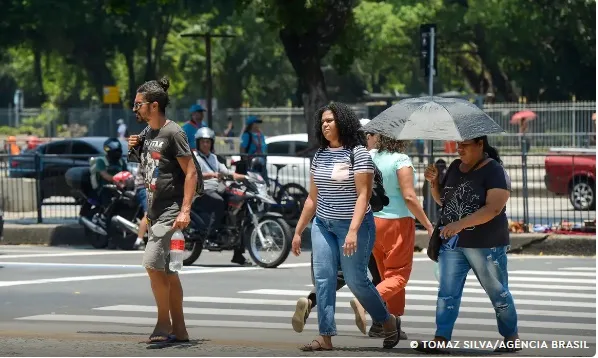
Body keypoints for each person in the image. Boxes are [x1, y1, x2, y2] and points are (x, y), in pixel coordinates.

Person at [291, 102, 401, 351]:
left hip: (356, 226)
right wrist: (298, 231)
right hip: (323, 224)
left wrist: (352, 230)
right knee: (324, 279)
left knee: (356, 280)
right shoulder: (319, 155)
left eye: (330, 120)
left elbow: (363, 195)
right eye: (322, 122)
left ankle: (387, 320)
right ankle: (325, 336)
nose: (325, 125)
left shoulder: (358, 153)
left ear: (343, 122)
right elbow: (312, 198)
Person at [413, 135, 520, 354]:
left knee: (498, 292)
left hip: (486, 244)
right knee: (447, 292)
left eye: (464, 145)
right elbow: (445, 201)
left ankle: (511, 336)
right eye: (457, 145)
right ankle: (441, 339)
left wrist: (460, 224)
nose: (459, 149)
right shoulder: (454, 167)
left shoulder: (494, 171)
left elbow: (494, 208)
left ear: (480, 145)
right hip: (453, 243)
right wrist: (433, 184)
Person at [128, 76, 198, 344]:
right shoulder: (147, 133)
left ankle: (162, 322)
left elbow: (190, 172)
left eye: (138, 104)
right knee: (168, 271)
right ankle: (179, 329)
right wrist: (134, 147)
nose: (135, 109)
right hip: (155, 211)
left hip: (171, 211)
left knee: (151, 264)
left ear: (153, 106)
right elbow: (149, 170)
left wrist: (185, 210)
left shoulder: (174, 132)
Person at [349, 134, 433, 339]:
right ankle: (364, 301)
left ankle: (393, 322)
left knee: (388, 274)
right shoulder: (401, 160)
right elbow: (409, 196)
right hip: (398, 222)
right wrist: (429, 225)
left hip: (373, 221)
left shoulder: (371, 156)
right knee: (398, 276)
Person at [193, 127, 250, 266]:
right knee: (218, 202)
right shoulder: (194, 157)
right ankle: (211, 235)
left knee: (240, 205)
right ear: (198, 143)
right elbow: (193, 175)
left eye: (208, 142)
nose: (205, 144)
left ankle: (238, 253)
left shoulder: (213, 158)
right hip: (202, 191)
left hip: (217, 189)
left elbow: (226, 171)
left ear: (211, 143)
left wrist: (245, 177)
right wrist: (212, 175)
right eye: (203, 142)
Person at [90, 138, 128, 203]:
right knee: (107, 197)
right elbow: (104, 174)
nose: (117, 153)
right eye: (115, 151)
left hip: (120, 187)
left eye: (118, 151)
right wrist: (116, 181)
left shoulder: (121, 161)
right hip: (105, 188)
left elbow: (126, 174)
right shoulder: (101, 161)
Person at [238, 116, 267, 180]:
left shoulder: (260, 134)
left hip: (262, 163)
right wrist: (246, 162)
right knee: (253, 182)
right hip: (251, 164)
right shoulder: (247, 135)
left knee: (263, 182)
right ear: (252, 124)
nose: (258, 125)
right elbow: (242, 149)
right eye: (256, 123)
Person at [133, 167, 148, 250]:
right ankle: (139, 241)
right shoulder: (147, 156)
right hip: (144, 188)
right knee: (149, 214)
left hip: (153, 188)